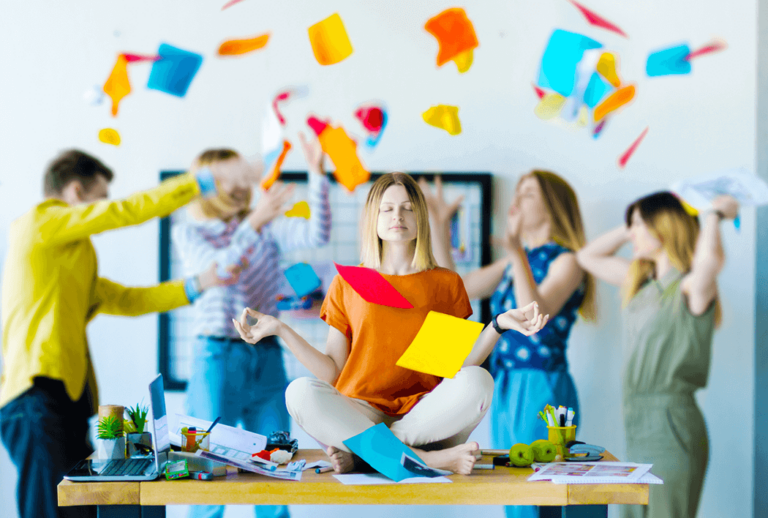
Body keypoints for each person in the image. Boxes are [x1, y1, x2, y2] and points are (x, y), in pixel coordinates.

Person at [233, 172, 549, 475]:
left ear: (420, 218)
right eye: (387, 209)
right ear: (374, 218)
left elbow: (453, 367)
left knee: (478, 381)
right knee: (299, 392)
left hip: (422, 415)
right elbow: (333, 372)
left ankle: (369, 455)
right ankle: (427, 460)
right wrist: (281, 329)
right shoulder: (347, 283)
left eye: (408, 209)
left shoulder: (444, 283)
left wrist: (498, 325)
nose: (397, 216)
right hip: (360, 410)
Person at [0, 149, 254, 518]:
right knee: (49, 509)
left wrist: (202, 282)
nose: (104, 207)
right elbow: (125, 212)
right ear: (74, 191)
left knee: (84, 508)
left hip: (64, 400)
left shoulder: (71, 255)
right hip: (34, 396)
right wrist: (202, 180)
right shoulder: (39, 224)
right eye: (99, 198)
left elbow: (129, 300)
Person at [173, 133, 331, 518]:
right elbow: (221, 269)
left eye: (244, 175)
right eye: (232, 177)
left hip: (265, 357)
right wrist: (256, 222)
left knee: (277, 467)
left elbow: (317, 235)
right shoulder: (189, 232)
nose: (243, 185)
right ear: (208, 183)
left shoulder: (267, 229)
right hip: (216, 356)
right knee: (205, 472)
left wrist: (317, 175)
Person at [422, 171, 595, 518]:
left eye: (528, 193)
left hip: (542, 384)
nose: (516, 199)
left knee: (539, 488)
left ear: (554, 207)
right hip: (504, 383)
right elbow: (460, 287)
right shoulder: (516, 261)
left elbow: (536, 315)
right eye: (518, 190)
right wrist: (439, 226)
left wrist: (517, 252)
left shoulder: (567, 260)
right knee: (512, 487)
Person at [576, 192, 738, 518]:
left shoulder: (690, 286)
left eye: (638, 225)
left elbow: (710, 263)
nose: (631, 233)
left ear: (663, 225)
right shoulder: (640, 283)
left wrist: (712, 216)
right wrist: (633, 224)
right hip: (637, 424)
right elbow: (587, 258)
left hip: (671, 425)